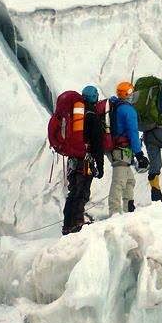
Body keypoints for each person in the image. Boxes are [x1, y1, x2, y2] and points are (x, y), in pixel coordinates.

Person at [63, 86, 105, 234]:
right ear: (94, 97)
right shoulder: (92, 116)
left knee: (73, 190)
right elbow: (98, 143)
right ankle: (77, 222)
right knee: (82, 191)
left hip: (73, 158)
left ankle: (67, 224)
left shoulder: (75, 115)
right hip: (86, 159)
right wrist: (100, 165)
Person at [107, 82, 149, 214]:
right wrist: (139, 154)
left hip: (115, 148)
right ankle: (114, 212)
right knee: (119, 181)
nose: (133, 96)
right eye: (131, 93)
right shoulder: (128, 110)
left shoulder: (116, 106)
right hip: (121, 149)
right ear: (127, 95)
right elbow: (133, 132)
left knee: (129, 180)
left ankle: (128, 209)